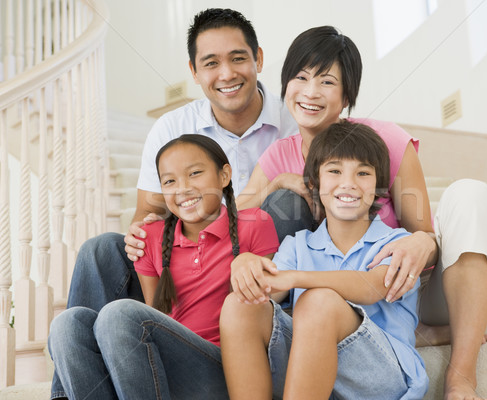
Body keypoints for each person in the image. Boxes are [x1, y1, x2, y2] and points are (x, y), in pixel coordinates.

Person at [235, 26, 487, 400]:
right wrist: (277, 182)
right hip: (331, 309)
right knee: (283, 230)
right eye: (300, 77)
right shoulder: (281, 154)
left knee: (469, 195)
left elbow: (422, 232)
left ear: (347, 96)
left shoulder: (384, 141)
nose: (311, 92)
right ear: (285, 85)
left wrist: (419, 244)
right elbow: (232, 213)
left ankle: (461, 377)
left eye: (327, 81)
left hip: (406, 286)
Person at [52, 8, 298, 398]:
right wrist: (139, 234)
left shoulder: (295, 119)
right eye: (211, 63)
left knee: (287, 200)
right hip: (184, 263)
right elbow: (148, 214)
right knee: (97, 258)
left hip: (256, 277)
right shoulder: (171, 127)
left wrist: (271, 187)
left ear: (259, 60)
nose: (227, 74)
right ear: (194, 71)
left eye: (238, 58)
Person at [48, 135, 280, 399]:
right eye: (170, 181)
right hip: (166, 365)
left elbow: (265, 304)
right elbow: (156, 315)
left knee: (119, 314)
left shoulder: (254, 223)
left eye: (195, 173)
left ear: (224, 175)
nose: (182, 188)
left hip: (223, 368)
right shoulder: (151, 237)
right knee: (67, 325)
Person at [221, 121, 428, 399]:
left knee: (318, 301)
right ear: (314, 184)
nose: (348, 183)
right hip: (313, 370)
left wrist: (297, 278)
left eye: (363, 173)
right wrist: (244, 263)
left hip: (382, 373)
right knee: (240, 303)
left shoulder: (398, 243)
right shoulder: (298, 246)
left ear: (378, 187)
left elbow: (373, 286)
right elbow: (266, 290)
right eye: (334, 171)